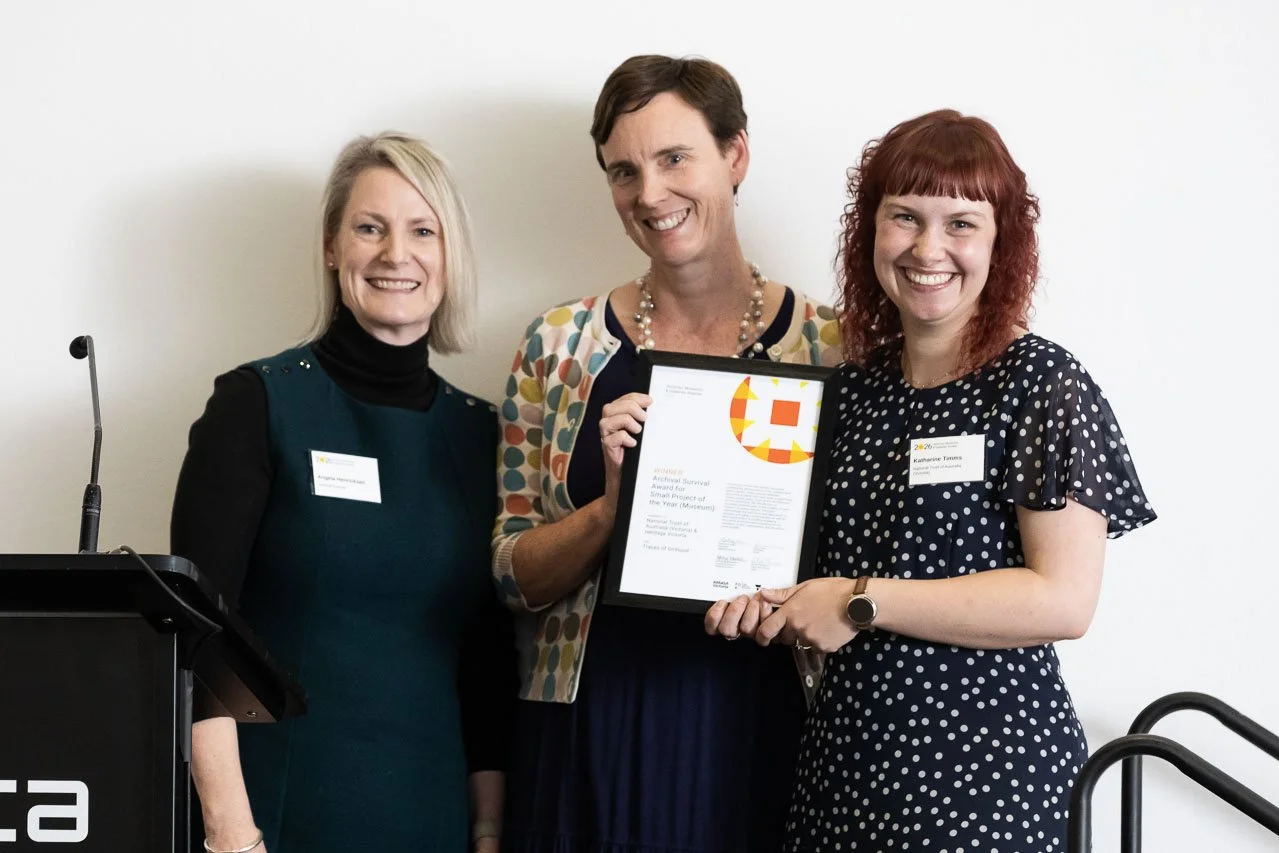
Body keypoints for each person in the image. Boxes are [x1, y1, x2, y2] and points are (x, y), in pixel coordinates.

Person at [707, 109, 1157, 851]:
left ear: (1000, 241)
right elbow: (807, 574)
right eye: (904, 217)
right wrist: (763, 601)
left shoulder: (1038, 383)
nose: (926, 248)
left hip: (987, 776)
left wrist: (857, 603)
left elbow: (1063, 599)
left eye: (960, 223)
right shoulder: (848, 394)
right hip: (847, 767)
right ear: (868, 232)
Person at [491, 55, 841, 853]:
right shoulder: (556, 346)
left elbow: (866, 560)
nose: (649, 194)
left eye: (674, 158)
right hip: (590, 728)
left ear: (736, 155)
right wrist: (611, 512)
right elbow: (510, 575)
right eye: (623, 170)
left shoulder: (833, 347)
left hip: (768, 722)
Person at [171, 131, 514, 853]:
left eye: (423, 230)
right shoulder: (255, 406)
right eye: (370, 227)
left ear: (450, 255)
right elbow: (197, 641)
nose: (397, 254)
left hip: (432, 815)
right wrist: (230, 831)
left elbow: (487, 667)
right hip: (276, 813)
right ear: (332, 247)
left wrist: (487, 832)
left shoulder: (484, 434)